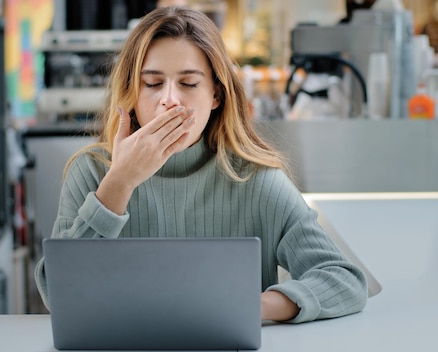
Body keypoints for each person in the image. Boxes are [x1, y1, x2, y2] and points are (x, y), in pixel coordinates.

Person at [34, 6, 368, 323]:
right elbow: (60, 295)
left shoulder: (255, 180)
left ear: (216, 96)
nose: (170, 99)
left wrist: (252, 305)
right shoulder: (91, 173)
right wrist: (119, 182)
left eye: (189, 83)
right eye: (151, 83)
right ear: (131, 93)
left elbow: (345, 281)